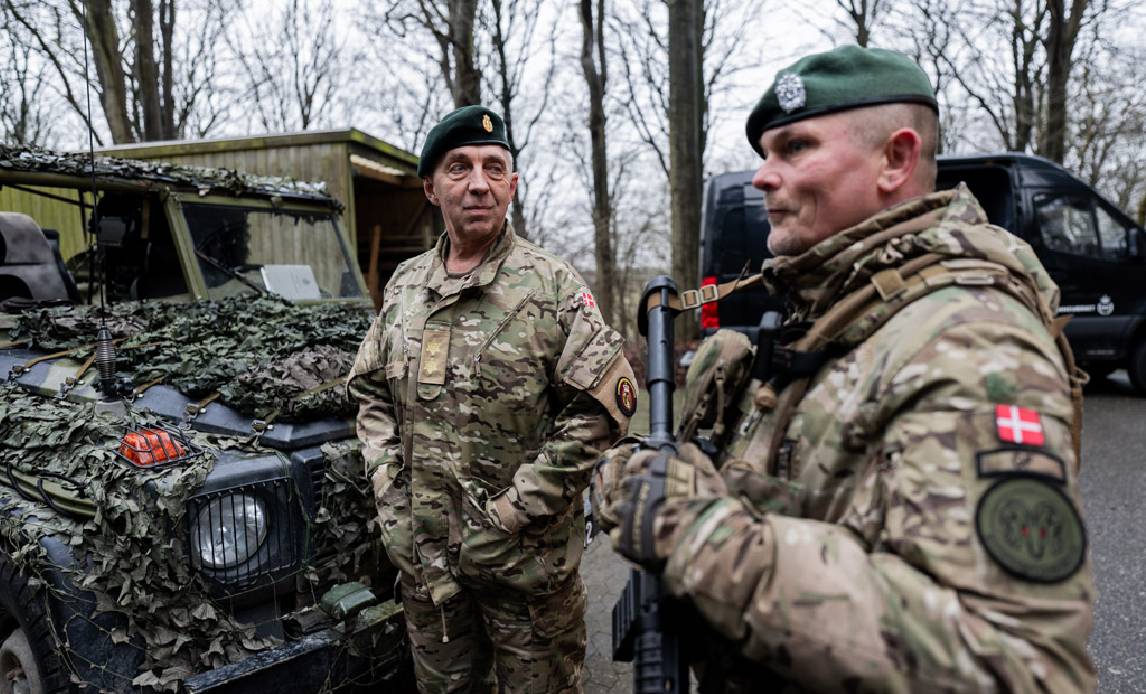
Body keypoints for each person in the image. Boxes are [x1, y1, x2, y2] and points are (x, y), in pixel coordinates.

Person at [593, 45, 1096, 692]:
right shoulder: (846, 309)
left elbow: (1011, 663)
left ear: (896, 158)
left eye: (795, 147)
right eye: (765, 153)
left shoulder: (967, 340)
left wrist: (695, 532)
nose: (762, 177)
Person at [349, 105, 636, 693]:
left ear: (512, 183)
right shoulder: (405, 287)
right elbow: (371, 392)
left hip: (524, 575)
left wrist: (512, 511)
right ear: (432, 187)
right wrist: (390, 494)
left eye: (493, 167)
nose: (477, 183)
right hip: (427, 574)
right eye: (459, 167)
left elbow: (603, 409)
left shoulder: (552, 286)